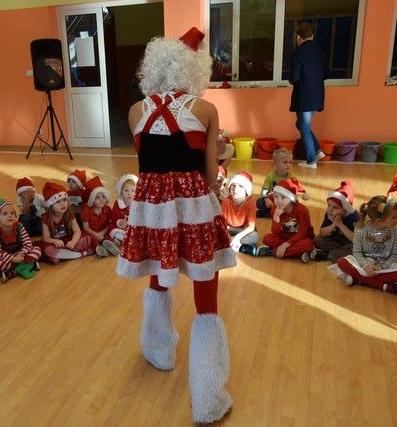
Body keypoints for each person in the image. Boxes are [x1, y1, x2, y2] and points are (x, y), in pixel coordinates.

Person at [115, 28, 236, 423]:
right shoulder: (206, 110)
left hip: (152, 208)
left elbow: (148, 162)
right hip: (193, 205)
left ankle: (158, 351)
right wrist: (220, 161)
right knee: (206, 291)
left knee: (158, 273)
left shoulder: (135, 111)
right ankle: (208, 398)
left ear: (151, 69)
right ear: (193, 69)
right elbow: (210, 176)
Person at [335, 192, 397, 295]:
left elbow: (394, 256)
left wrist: (380, 268)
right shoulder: (360, 230)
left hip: (385, 266)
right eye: (394, 217)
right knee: (342, 262)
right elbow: (357, 252)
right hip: (364, 265)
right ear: (379, 220)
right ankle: (385, 286)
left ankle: (359, 279)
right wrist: (366, 265)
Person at [289, 22, 327, 169]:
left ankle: (311, 161)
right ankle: (317, 151)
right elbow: (326, 74)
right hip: (317, 95)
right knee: (300, 124)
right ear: (312, 36)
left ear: (298, 37)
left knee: (304, 127)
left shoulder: (298, 53)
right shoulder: (320, 52)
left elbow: (294, 77)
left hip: (304, 96)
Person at [257, 178, 314, 262]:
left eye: (283, 197)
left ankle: (272, 252)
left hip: (300, 239)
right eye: (276, 196)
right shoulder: (275, 209)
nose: (279, 201)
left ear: (291, 198)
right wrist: (276, 216)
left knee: (308, 244)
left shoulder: (302, 210)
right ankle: (298, 253)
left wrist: (285, 245)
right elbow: (275, 232)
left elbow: (302, 233)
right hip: (283, 238)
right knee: (267, 238)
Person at [0, 197, 41, 282]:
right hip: (7, 257)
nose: (10, 215)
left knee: (37, 250)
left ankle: (12, 273)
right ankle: (28, 266)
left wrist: (22, 254)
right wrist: (12, 258)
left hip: (20, 253)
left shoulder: (19, 226)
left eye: (12, 213)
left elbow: (27, 242)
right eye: (5, 214)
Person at [41, 182, 93, 264]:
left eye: (64, 200)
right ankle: (80, 254)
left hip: (69, 239)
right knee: (47, 250)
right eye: (58, 201)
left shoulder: (69, 214)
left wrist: (73, 242)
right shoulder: (46, 217)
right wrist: (55, 241)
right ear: (50, 205)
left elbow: (77, 231)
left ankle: (63, 254)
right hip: (57, 243)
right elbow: (46, 238)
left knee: (86, 238)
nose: (63, 204)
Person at [311, 181, 359, 262]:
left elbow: (356, 240)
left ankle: (329, 254)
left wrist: (340, 225)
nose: (330, 210)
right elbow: (322, 232)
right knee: (317, 239)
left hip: (349, 243)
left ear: (345, 209)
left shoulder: (354, 217)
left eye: (335, 208)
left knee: (357, 248)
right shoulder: (330, 214)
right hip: (335, 242)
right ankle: (339, 253)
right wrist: (334, 224)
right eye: (329, 205)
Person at [256, 148, 304, 218]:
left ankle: (267, 213)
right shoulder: (270, 176)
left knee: (295, 205)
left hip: (285, 202)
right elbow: (264, 191)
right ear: (275, 164)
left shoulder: (292, 177)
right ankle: (273, 213)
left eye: (290, 162)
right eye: (285, 162)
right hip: (273, 200)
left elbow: (294, 195)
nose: (288, 165)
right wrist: (266, 199)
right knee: (259, 202)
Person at [221, 172, 259, 255]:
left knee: (255, 236)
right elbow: (221, 223)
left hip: (242, 230)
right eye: (233, 185)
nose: (235, 188)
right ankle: (241, 247)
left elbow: (251, 227)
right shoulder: (226, 201)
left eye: (240, 186)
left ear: (247, 191)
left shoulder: (251, 203)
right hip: (228, 229)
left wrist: (237, 237)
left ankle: (230, 243)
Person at [104, 174, 138, 256]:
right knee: (115, 232)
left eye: (133, 191)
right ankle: (116, 243)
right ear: (121, 191)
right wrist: (120, 222)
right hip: (120, 228)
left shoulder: (138, 204)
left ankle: (123, 242)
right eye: (126, 190)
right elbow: (114, 216)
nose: (129, 193)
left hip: (134, 228)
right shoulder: (118, 203)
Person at [81, 176, 113, 257]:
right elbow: (85, 227)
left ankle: (109, 245)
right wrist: (96, 235)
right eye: (97, 198)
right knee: (88, 239)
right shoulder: (87, 210)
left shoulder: (107, 209)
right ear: (92, 199)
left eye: (103, 197)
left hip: (103, 231)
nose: (102, 200)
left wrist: (102, 233)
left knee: (111, 234)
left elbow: (110, 223)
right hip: (91, 232)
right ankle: (99, 248)